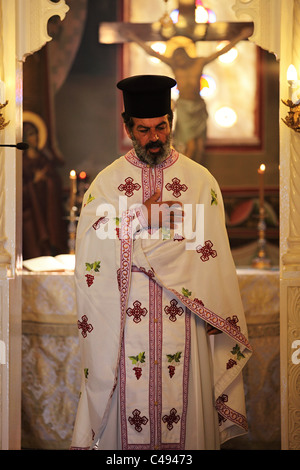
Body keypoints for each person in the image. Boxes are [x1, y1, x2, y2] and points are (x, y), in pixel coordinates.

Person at [71, 75, 252, 450]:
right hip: (126, 313)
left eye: (160, 127)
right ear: (128, 128)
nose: (154, 137)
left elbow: (209, 250)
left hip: (184, 313)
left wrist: (147, 253)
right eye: (144, 130)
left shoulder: (199, 181)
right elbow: (91, 243)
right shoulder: (108, 183)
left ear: (170, 122)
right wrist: (140, 217)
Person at [123, 26, 253, 162]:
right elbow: (152, 53)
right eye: (176, 58)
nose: (179, 61)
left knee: (200, 145)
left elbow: (221, 52)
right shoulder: (175, 65)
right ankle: (187, 177)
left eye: (181, 57)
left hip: (198, 107)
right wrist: (133, 38)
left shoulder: (199, 62)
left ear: (186, 54)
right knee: (190, 145)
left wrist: (241, 35)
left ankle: (197, 174)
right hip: (185, 107)